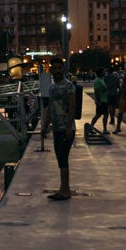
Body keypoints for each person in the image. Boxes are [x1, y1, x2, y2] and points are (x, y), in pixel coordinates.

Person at [47, 58, 76, 201]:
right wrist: (45, 126)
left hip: (66, 128)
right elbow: (49, 107)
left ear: (63, 69)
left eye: (60, 68)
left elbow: (72, 106)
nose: (57, 70)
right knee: (60, 158)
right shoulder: (51, 87)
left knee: (63, 158)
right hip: (56, 128)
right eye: (55, 68)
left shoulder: (69, 86)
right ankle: (63, 188)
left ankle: (66, 190)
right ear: (51, 70)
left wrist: (69, 126)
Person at [89, 68, 110, 134]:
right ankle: (104, 129)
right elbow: (97, 91)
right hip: (101, 101)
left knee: (99, 115)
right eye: (103, 72)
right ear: (100, 73)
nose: (105, 73)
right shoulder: (98, 81)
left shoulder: (101, 80)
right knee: (104, 115)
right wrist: (98, 101)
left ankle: (91, 127)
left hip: (103, 100)